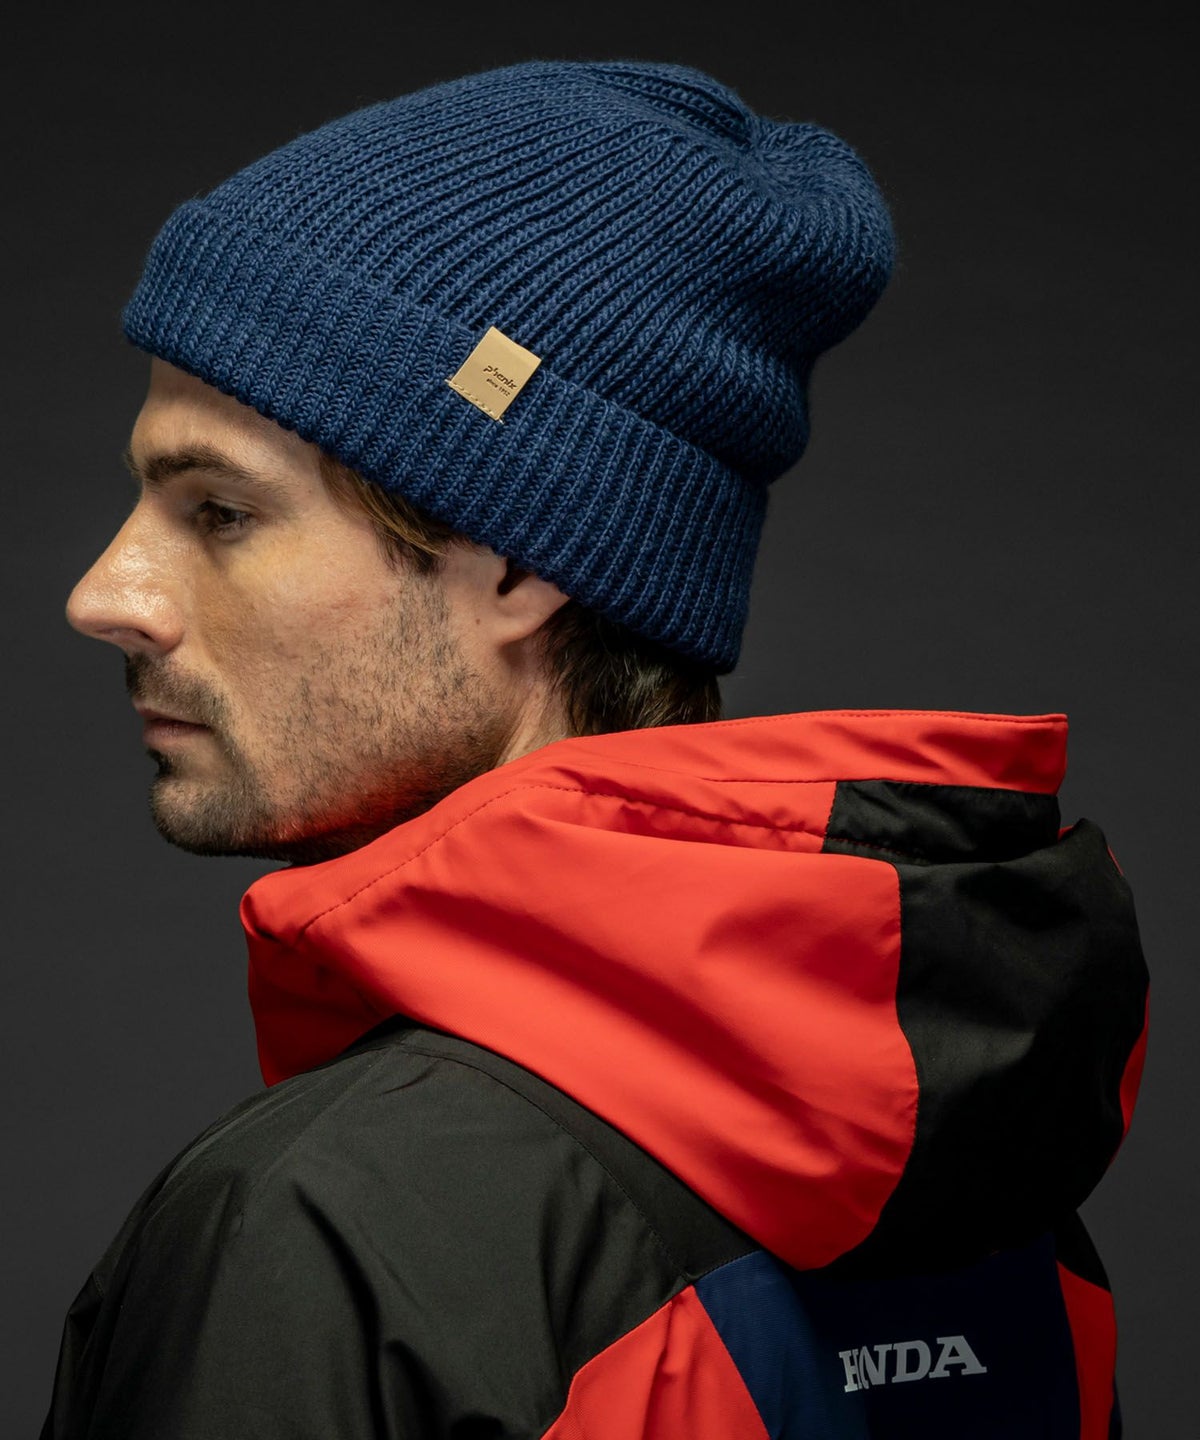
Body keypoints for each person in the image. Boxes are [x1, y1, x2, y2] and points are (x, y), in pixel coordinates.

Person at [45, 59, 1148, 1439]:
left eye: (220, 511)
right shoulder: (999, 1193)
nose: (106, 595)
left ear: (517, 563)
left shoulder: (325, 1228)